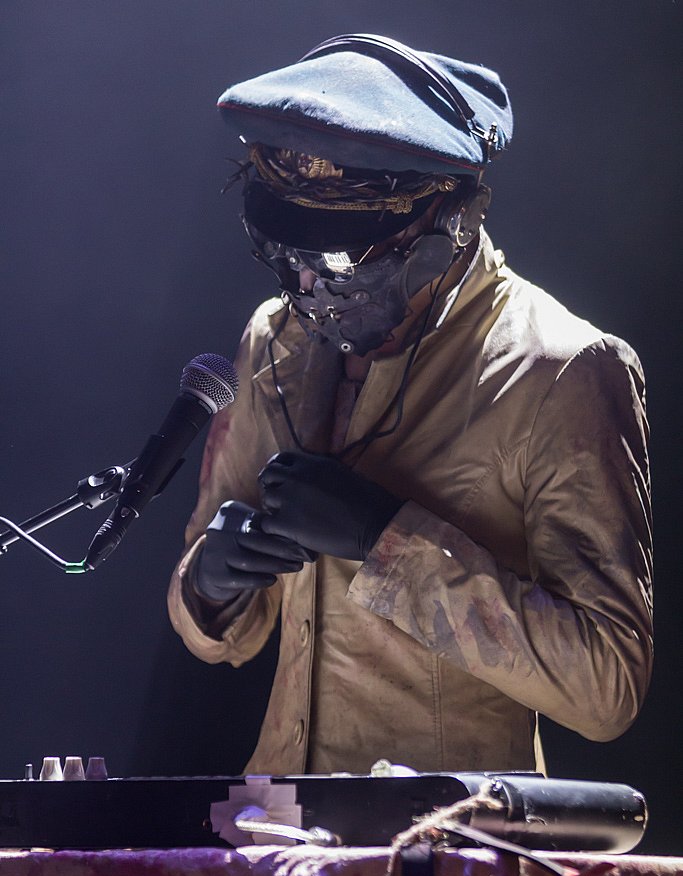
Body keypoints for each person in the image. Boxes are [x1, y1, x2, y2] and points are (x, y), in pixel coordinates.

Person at [168, 34, 653, 776]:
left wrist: (385, 539)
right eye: (285, 257)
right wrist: (211, 579)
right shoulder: (276, 338)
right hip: (276, 824)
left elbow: (606, 685)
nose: (305, 288)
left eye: (338, 261)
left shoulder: (562, 370)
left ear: (448, 223)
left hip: (452, 832)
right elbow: (216, 633)